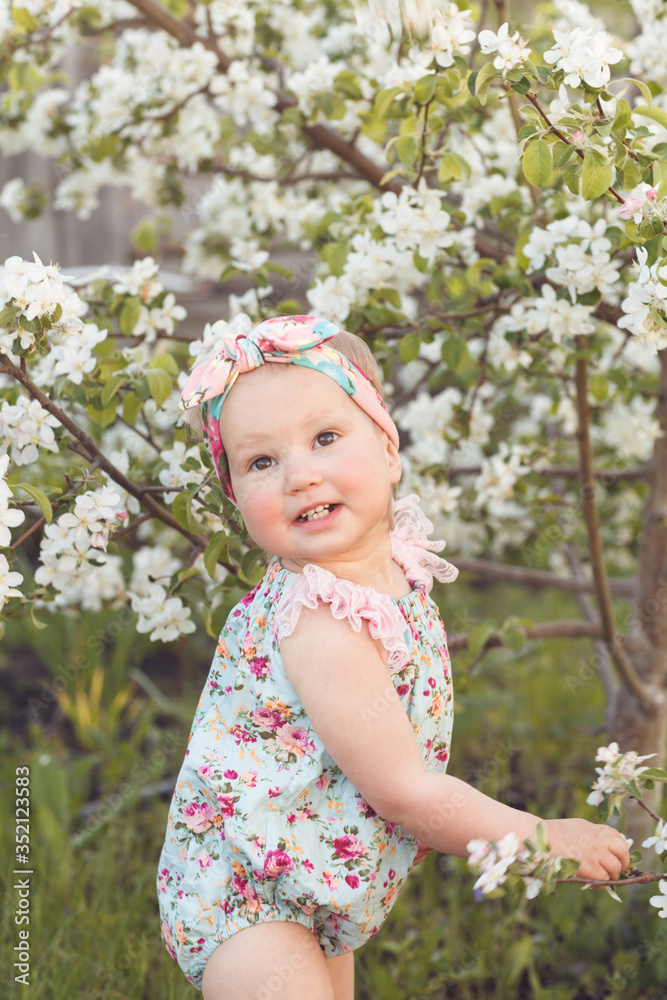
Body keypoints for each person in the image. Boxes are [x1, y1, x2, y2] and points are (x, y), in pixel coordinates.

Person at [157, 314, 629, 1000]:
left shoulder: (383, 579)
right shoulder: (320, 619)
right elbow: (404, 792)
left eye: (324, 438)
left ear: (387, 447)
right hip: (248, 898)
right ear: (235, 496)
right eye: (261, 461)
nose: (299, 475)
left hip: (316, 885)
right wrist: (539, 838)